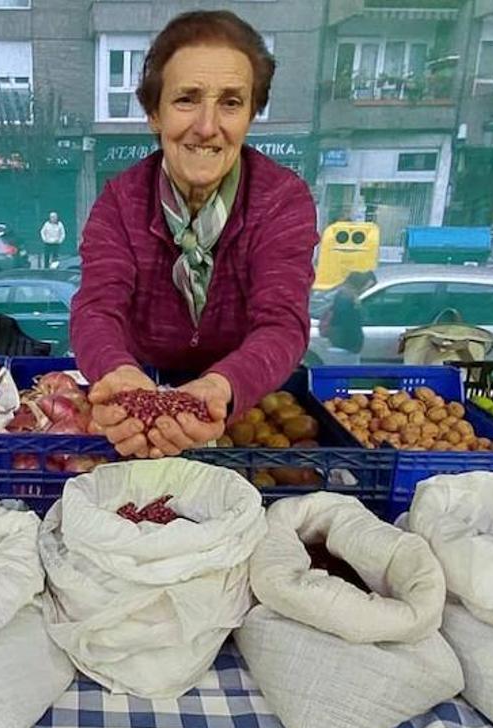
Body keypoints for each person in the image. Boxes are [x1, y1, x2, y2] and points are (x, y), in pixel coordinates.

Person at [71, 10, 318, 459]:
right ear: (154, 113)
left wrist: (223, 386)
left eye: (230, 102)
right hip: (140, 381)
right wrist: (116, 373)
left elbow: (282, 323)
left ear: (250, 115)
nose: (207, 126)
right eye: (186, 99)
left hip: (244, 393)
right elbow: (96, 308)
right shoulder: (120, 202)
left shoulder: (282, 199)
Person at [322, 270, 376, 364]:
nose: (367, 289)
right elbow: (350, 324)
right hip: (346, 348)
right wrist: (355, 345)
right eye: (368, 286)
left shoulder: (346, 296)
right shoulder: (348, 300)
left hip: (344, 346)